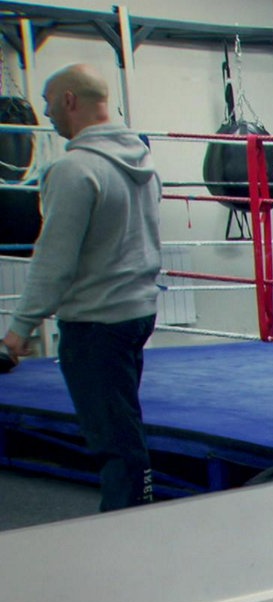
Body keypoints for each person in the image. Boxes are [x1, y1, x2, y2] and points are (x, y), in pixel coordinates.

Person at [3, 63, 162, 511]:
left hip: (96, 323)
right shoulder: (144, 161)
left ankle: (128, 528)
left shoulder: (73, 170)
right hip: (136, 314)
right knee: (123, 425)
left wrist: (18, 331)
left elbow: (53, 262)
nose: (46, 113)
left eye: (49, 102)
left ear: (70, 100)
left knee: (114, 441)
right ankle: (138, 517)